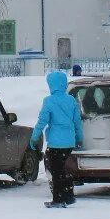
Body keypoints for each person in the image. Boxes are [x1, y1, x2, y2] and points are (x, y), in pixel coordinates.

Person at [30, 70, 84, 209]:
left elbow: (42, 121)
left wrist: (34, 137)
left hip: (56, 142)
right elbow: (77, 121)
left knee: (56, 171)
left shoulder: (49, 101)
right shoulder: (71, 100)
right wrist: (79, 138)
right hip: (69, 142)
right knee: (61, 169)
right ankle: (68, 196)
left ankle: (59, 200)